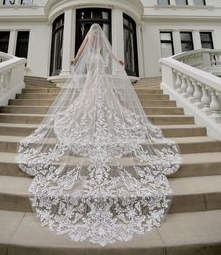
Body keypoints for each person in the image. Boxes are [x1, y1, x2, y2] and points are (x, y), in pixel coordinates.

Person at [16, 23, 181, 246]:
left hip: (102, 82)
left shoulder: (103, 49)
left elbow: (111, 53)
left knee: (108, 107)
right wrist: (74, 60)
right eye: (94, 34)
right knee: (87, 105)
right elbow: (81, 51)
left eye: (96, 34)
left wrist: (118, 60)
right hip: (92, 83)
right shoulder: (88, 46)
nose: (95, 36)